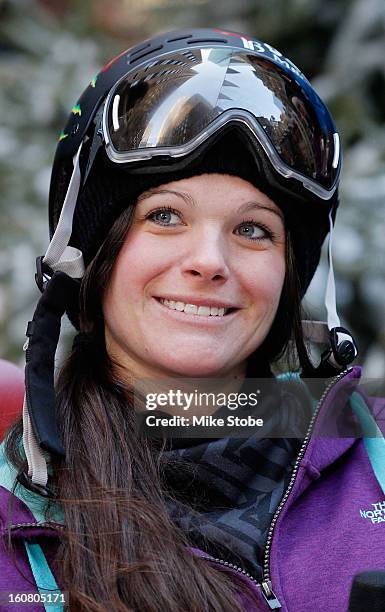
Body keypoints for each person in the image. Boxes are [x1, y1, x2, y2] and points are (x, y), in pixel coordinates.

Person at [0, 28, 384, 612]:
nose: (209, 262)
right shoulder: (13, 519)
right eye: (165, 216)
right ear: (90, 260)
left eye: (253, 229)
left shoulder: (374, 452)